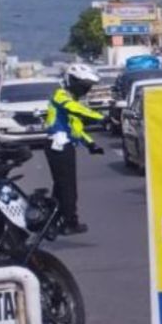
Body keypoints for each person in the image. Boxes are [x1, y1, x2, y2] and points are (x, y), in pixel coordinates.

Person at [44, 63, 105, 235]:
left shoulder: (70, 99)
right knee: (68, 187)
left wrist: (90, 144)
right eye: (84, 86)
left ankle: (52, 220)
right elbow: (76, 110)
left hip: (63, 145)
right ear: (72, 81)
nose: (86, 90)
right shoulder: (60, 96)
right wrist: (101, 118)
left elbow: (75, 128)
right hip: (58, 146)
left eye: (88, 87)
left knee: (61, 186)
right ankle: (70, 222)